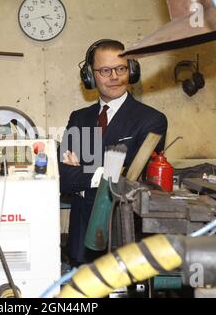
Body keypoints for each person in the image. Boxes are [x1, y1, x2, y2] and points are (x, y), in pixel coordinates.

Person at [59, 39, 168, 266]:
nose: (115, 76)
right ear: (90, 75)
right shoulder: (79, 118)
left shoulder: (151, 120)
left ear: (132, 71)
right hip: (81, 239)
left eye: (121, 68)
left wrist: (83, 175)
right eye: (105, 70)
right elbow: (63, 178)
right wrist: (105, 174)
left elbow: (129, 180)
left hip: (125, 239)